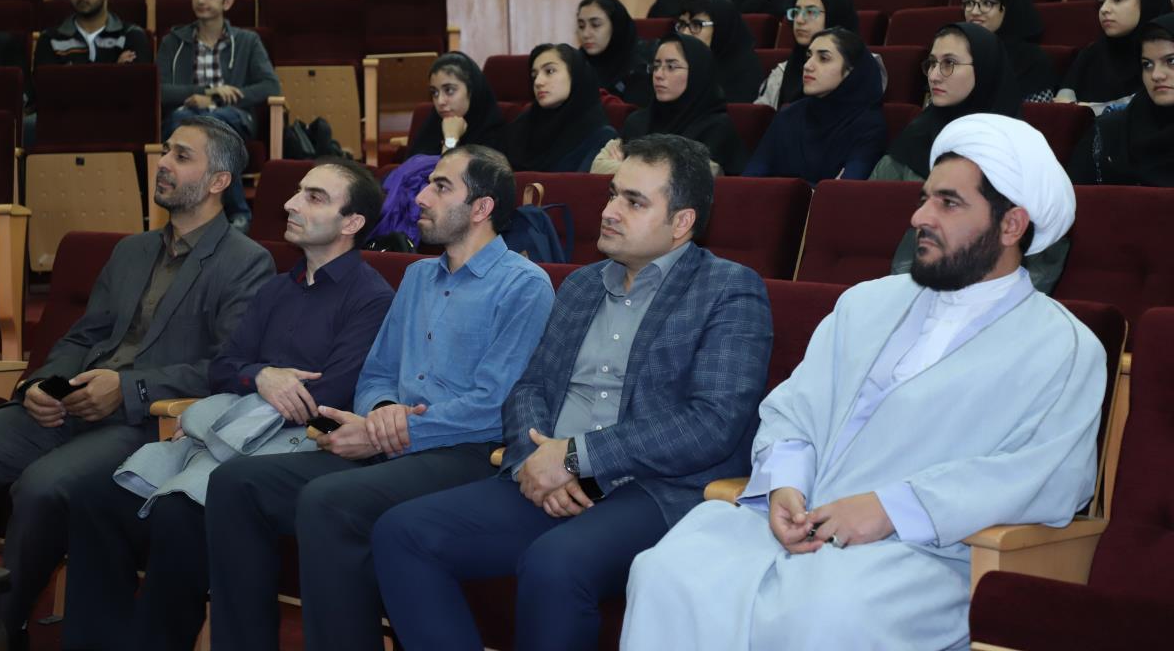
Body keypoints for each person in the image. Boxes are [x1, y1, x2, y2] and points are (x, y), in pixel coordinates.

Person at [621, 114, 1105, 651]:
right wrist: (786, 484)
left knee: (825, 615)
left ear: (1011, 226)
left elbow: (1044, 476)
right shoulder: (866, 303)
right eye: (924, 198)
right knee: (667, 572)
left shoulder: (1062, 347)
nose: (919, 216)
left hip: (928, 554)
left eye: (948, 203)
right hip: (799, 525)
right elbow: (794, 410)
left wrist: (892, 508)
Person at [372, 133, 774, 650]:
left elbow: (711, 423)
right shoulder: (583, 285)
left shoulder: (728, 289)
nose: (609, 211)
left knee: (554, 564)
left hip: (651, 488)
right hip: (551, 471)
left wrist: (576, 458)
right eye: (612, 194)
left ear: (681, 222)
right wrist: (535, 461)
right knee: (402, 533)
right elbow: (530, 387)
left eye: (634, 202)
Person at [203, 145, 555, 651]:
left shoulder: (525, 285)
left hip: (467, 451)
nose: (421, 197)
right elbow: (376, 374)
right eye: (427, 184)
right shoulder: (417, 276)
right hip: (392, 442)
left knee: (329, 501)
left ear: (481, 208)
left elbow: (493, 404)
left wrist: (390, 431)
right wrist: (382, 411)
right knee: (236, 483)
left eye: (441, 187)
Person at [57, 158, 394, 651]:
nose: (290, 203)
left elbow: (329, 395)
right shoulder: (277, 288)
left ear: (352, 223)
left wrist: (254, 380)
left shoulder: (371, 298)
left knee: (179, 514)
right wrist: (263, 376)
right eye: (297, 191)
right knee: (95, 497)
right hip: (229, 435)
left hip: (300, 447)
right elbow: (224, 366)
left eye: (314, 197)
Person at [0, 116, 274, 649]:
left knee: (43, 488)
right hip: (68, 405)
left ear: (219, 181)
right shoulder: (131, 250)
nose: (163, 163)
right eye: (166, 152)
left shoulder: (246, 263)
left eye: (182, 156)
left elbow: (225, 367)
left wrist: (128, 386)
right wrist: (42, 384)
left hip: (144, 423)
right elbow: (82, 335)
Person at [156, 0, 281, 232]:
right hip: (183, 119)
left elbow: (271, 85)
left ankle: (200, 214)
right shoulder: (173, 41)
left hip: (233, 117)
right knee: (196, 124)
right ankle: (239, 214)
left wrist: (223, 100)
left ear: (227, 2)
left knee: (214, 123)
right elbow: (158, 90)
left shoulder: (247, 41)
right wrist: (208, 93)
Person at [870, 22, 1020, 182]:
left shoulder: (1016, 148)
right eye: (932, 63)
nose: (933, 76)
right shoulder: (915, 136)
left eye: (949, 63)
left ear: (984, 68)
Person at [743, 28, 886, 183]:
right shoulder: (788, 116)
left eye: (823, 58)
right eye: (808, 56)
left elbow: (845, 189)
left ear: (851, 71)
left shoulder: (869, 125)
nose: (807, 65)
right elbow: (750, 181)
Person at [593, 34, 749, 176]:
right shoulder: (636, 122)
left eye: (671, 67)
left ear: (696, 72)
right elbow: (597, 167)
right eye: (656, 66)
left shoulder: (716, 128)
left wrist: (626, 167)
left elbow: (693, 179)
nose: (658, 75)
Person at [1068, 12, 1174, 186]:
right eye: (1147, 64)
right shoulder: (1110, 133)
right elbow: (1074, 195)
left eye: (1171, 61)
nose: (1156, 75)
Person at [756, 0, 887, 110]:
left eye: (810, 12)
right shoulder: (782, 72)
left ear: (834, 15)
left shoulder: (863, 65)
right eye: (796, 12)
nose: (799, 20)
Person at [1056, 0, 1171, 107]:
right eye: (1101, 2)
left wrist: (1089, 110)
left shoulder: (1167, 49)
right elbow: (1062, 102)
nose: (1104, 9)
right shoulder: (1092, 53)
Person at [502, 42, 618, 172]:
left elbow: (581, 183)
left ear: (574, 74)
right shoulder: (522, 125)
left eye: (549, 71)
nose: (538, 82)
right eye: (534, 76)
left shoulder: (600, 136)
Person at [962, 0, 1058, 102]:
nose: (974, 11)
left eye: (987, 3)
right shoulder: (956, 50)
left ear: (1009, 6)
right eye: (970, 2)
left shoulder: (1032, 62)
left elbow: (1035, 113)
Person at [405, 51, 506, 158]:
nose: (440, 101)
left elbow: (447, 170)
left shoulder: (493, 138)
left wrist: (450, 140)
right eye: (434, 92)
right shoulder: (430, 129)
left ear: (472, 91)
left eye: (449, 90)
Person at [676, 0, 764, 102]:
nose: (685, 33)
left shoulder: (746, 72)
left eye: (696, 25)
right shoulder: (676, 63)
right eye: (682, 24)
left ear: (721, 28)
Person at [577, 0, 652, 106]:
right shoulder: (577, 64)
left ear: (616, 26)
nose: (585, 34)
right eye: (581, 26)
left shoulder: (640, 67)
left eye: (595, 25)